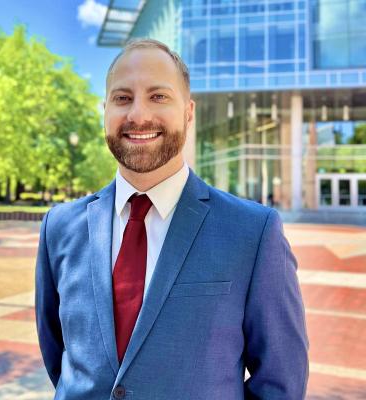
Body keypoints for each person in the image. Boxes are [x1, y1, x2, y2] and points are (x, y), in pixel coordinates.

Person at [35, 39, 309, 400]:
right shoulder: (60, 226)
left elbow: (280, 383)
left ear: (189, 111)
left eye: (158, 96)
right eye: (122, 98)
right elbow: (60, 359)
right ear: (105, 110)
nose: (138, 115)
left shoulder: (253, 233)